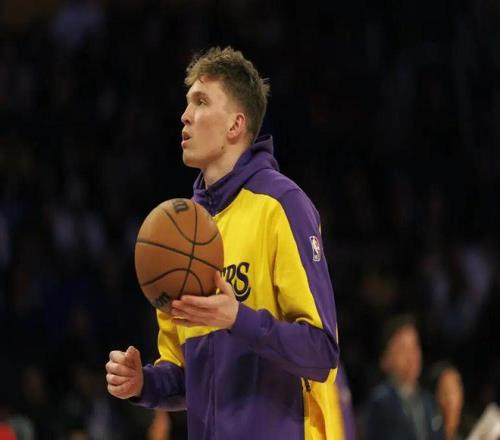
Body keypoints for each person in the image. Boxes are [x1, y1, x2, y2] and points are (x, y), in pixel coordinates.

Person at [105, 47, 340, 439]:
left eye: (200, 102)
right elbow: (186, 377)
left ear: (235, 125)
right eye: (187, 103)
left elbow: (322, 353)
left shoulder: (281, 205)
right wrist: (143, 384)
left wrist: (237, 319)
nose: (185, 115)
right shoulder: (181, 230)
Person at [362, 315, 443, 440]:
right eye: (402, 349)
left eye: (414, 346)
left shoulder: (427, 401)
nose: (412, 356)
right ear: (385, 360)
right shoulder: (380, 404)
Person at [428, 362, 465, 440]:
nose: (449, 399)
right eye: (444, 392)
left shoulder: (471, 427)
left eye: (453, 390)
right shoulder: (427, 429)